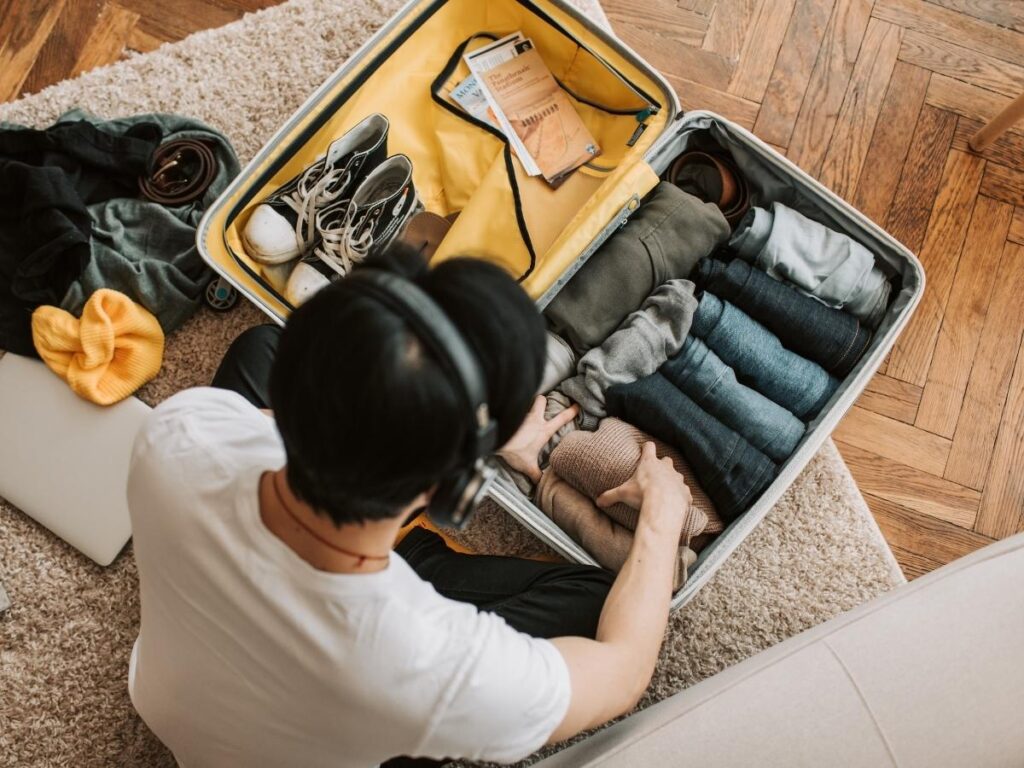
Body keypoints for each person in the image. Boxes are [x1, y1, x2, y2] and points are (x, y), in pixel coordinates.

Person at [126, 245, 693, 767]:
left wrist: (442, 429)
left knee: (257, 348)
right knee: (606, 603)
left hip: (169, 698)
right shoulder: (436, 664)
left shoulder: (182, 428)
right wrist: (661, 518)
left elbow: (282, 424)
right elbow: (623, 674)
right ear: (456, 490)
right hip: (361, 683)